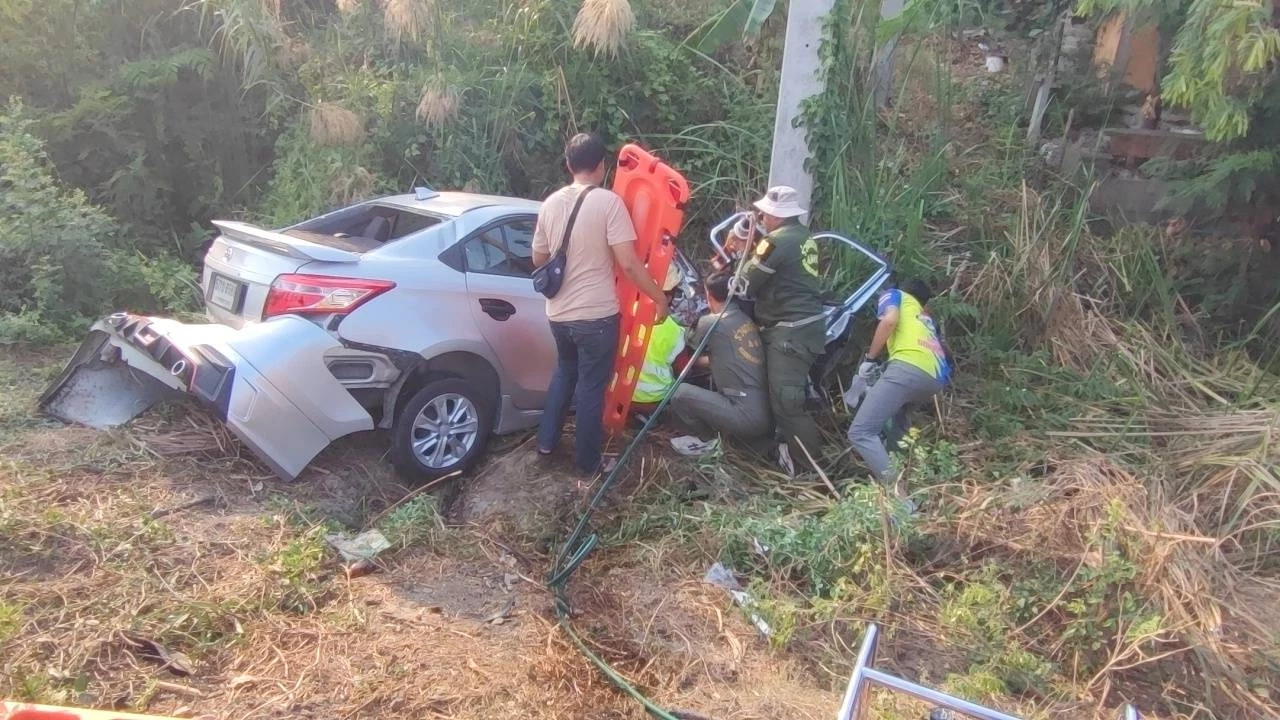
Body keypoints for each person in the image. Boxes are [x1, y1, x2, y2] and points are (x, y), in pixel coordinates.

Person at [532, 133, 669, 476]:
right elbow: (630, 264)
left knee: (564, 374)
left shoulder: (550, 203)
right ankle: (588, 462)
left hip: (558, 314)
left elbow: (538, 257)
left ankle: (546, 444)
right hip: (596, 317)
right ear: (602, 166)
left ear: (568, 165)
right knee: (592, 387)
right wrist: (659, 296)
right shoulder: (609, 203)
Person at [741, 186, 827, 473]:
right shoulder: (804, 238)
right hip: (803, 329)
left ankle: (808, 471)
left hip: (790, 332)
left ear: (776, 216)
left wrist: (741, 250)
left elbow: (744, 285)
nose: (761, 216)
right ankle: (785, 455)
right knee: (784, 399)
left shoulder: (776, 242)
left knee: (788, 404)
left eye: (765, 212)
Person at [846, 278, 951, 482]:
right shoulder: (925, 317)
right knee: (897, 425)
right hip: (934, 378)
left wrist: (870, 359)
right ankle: (909, 479)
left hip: (907, 368)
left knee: (861, 432)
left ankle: (900, 500)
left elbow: (889, 320)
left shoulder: (895, 295)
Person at [668, 272, 772, 441]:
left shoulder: (711, 322)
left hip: (745, 416)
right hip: (766, 413)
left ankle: (706, 440)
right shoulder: (745, 319)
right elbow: (726, 360)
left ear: (709, 295)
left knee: (679, 392)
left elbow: (684, 349)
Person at [632, 264, 686, 407]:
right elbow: (682, 368)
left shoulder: (626, 315)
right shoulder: (673, 329)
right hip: (657, 399)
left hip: (621, 399)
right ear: (668, 296)